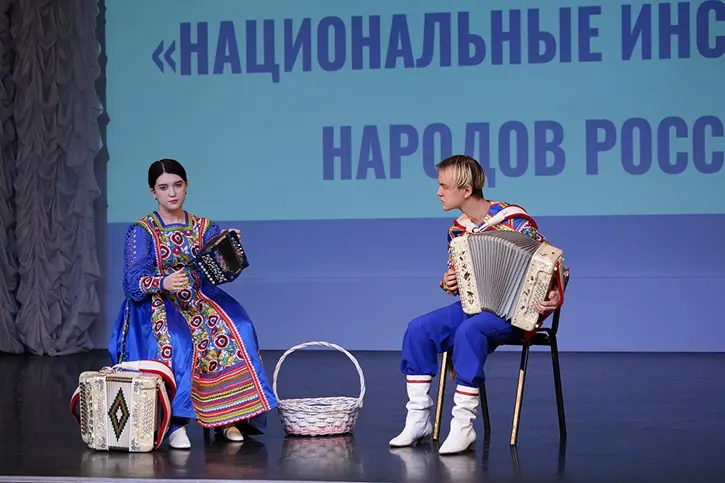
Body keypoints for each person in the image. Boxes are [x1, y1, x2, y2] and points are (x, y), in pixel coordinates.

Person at [389, 155, 570, 455]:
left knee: (470, 331)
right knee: (418, 329)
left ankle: (463, 425)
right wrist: (448, 282)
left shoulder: (513, 221)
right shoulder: (457, 232)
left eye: (444, 186)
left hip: (516, 314)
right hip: (474, 307)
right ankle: (418, 420)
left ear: (466, 190)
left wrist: (553, 296)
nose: (438, 192)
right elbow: (458, 280)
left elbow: (556, 265)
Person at [108, 158, 278, 450]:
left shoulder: (204, 227)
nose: (172, 193)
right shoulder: (143, 231)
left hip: (199, 299)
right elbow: (132, 281)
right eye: (164, 187)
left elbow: (221, 273)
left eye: (177, 185)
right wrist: (163, 282)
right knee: (177, 340)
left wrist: (229, 248)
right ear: (153, 192)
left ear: (186, 186)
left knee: (239, 327)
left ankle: (228, 417)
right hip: (157, 302)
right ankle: (175, 422)